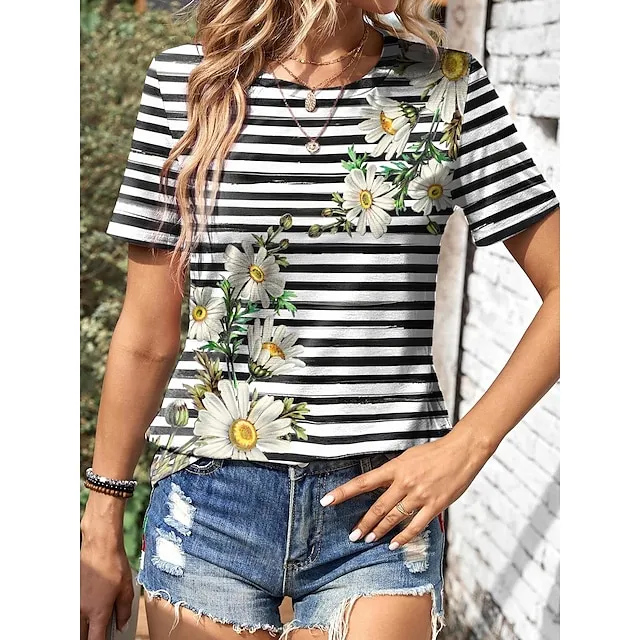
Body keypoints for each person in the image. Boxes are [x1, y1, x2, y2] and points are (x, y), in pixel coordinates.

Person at [80, 0, 560, 639]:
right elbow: (147, 334)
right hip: (209, 495)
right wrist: (101, 521)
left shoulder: (449, 89)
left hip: (383, 508)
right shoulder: (187, 86)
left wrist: (467, 447)